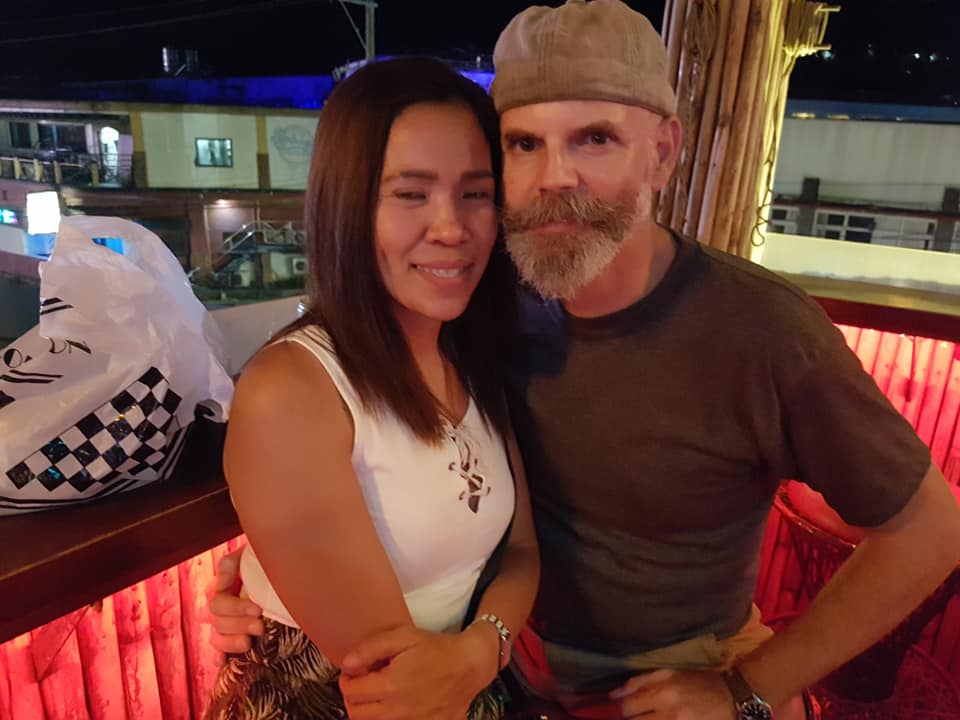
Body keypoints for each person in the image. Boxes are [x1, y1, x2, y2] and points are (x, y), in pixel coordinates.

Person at [210, 2, 960, 719]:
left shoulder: (762, 328)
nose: (555, 177)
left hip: (675, 677)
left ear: (662, 153)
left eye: (594, 138)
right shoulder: (481, 297)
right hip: (510, 673)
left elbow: (932, 528)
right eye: (523, 144)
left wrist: (751, 688)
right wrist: (274, 580)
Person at [203, 56, 539, 720]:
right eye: (411, 194)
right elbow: (394, 683)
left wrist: (482, 648)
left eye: (475, 194)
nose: (452, 227)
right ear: (348, 206)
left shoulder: (470, 354)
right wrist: (483, 652)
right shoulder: (292, 389)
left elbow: (523, 553)